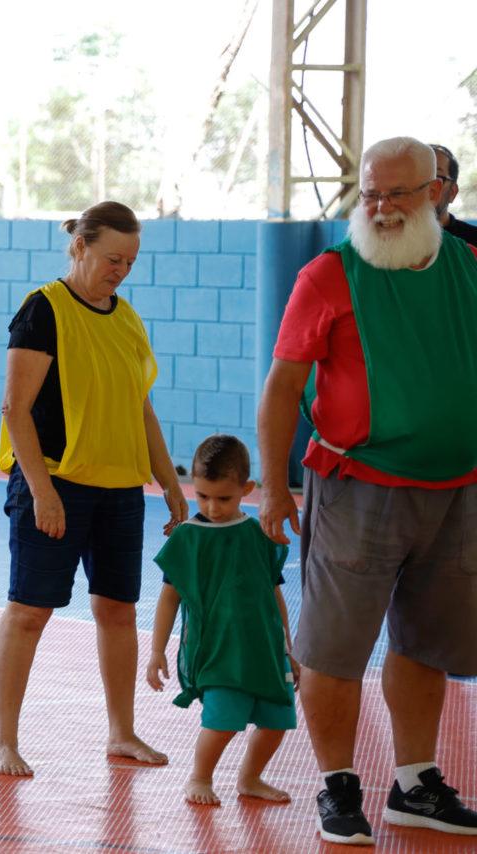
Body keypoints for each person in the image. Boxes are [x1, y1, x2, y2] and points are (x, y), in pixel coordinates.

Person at [259, 136, 477, 845]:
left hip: (457, 491)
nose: (380, 208)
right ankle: (337, 786)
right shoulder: (329, 275)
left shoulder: (469, 267)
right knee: (334, 648)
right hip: (356, 490)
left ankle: (415, 784)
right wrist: (274, 489)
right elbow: (282, 388)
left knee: (426, 644)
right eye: (369, 193)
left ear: (436, 191)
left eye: (396, 194)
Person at [0, 201, 187, 776]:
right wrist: (43, 491)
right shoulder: (43, 310)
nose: (120, 271)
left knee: (118, 611)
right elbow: (14, 409)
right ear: (79, 246)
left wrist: (170, 483)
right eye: (111, 258)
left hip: (120, 490)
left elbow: (140, 406)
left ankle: (122, 733)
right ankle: (4, 740)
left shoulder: (126, 317)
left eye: (130, 261)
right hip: (56, 484)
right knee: (29, 612)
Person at [146, 434, 297, 807]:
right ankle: (200, 776)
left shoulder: (260, 535)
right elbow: (169, 598)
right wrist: (157, 650)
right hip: (217, 651)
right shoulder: (187, 538)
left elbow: (274, 593)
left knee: (277, 720)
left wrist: (288, 647)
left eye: (224, 498)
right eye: (203, 496)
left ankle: (251, 777)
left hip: (264, 648)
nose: (212, 507)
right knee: (222, 720)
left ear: (247, 488)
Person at [431, 144, 477, 245]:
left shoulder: (472, 241)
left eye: (436, 178)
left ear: (452, 192)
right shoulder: (393, 238)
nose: (424, 186)